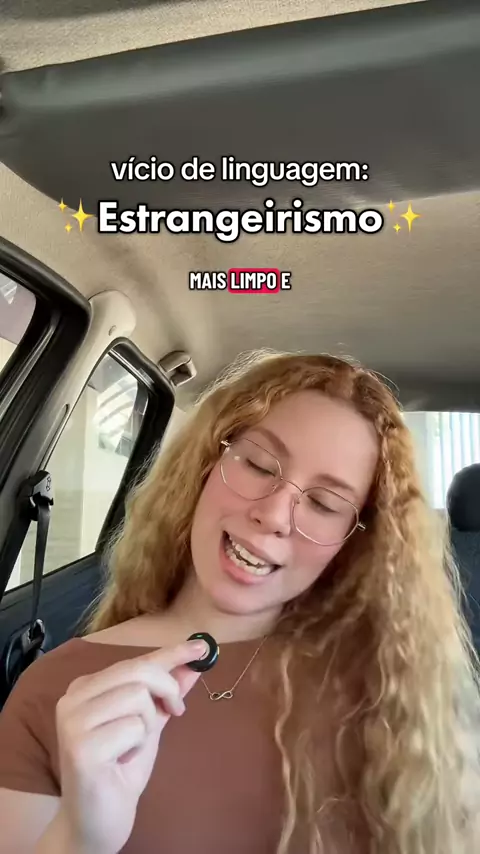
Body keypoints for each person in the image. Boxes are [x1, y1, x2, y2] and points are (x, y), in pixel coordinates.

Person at [0, 350, 479, 854]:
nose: (273, 514)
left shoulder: (402, 697)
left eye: (323, 504)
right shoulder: (55, 689)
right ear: (207, 464)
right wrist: (79, 838)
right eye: (257, 464)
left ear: (353, 541)